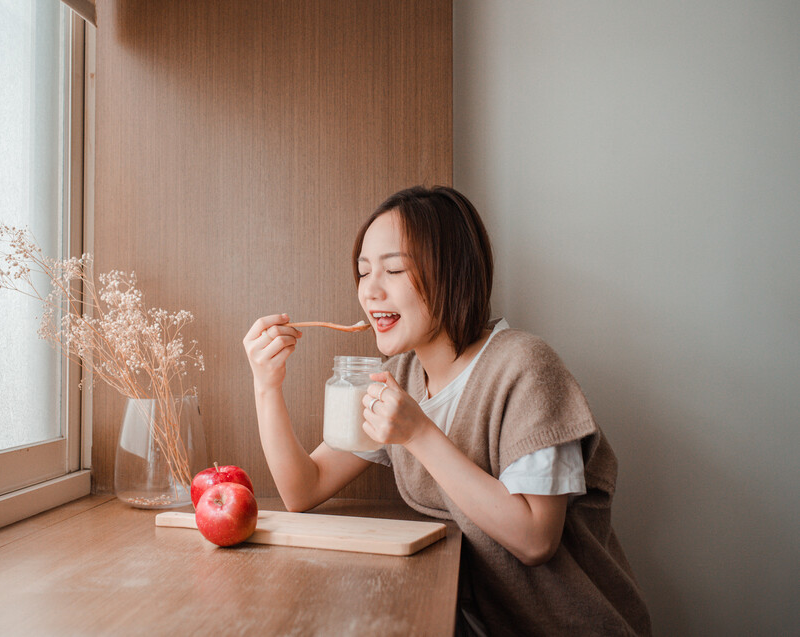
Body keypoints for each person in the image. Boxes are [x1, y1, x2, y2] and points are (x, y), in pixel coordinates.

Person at [243, 186, 652, 636]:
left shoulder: (526, 367)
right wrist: (267, 386)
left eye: (394, 269)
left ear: (453, 273)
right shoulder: (398, 375)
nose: (370, 290)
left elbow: (536, 539)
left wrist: (418, 435)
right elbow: (304, 488)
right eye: (363, 272)